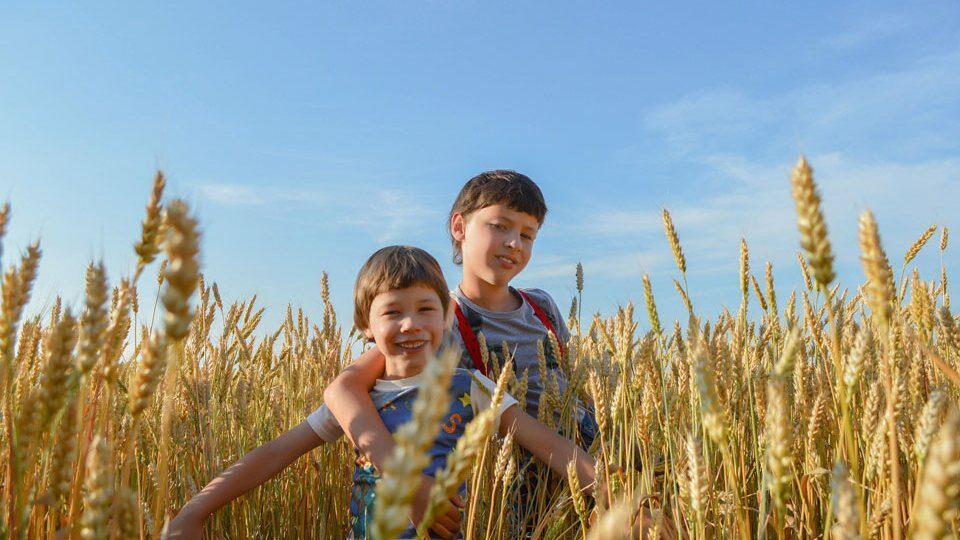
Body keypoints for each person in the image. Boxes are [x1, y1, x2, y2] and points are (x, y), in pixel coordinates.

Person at [168, 245, 594, 539]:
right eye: (392, 312)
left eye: (426, 309)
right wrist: (194, 511)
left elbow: (549, 445)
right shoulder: (362, 402)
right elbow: (277, 452)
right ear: (366, 327)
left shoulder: (473, 388)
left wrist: (620, 497)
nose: (410, 324)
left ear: (447, 317)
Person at [324, 171, 597, 534]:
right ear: (459, 227)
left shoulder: (543, 305)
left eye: (527, 235)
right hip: (516, 489)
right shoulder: (435, 323)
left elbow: (571, 383)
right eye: (500, 226)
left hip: (583, 465)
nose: (514, 243)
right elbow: (344, 388)